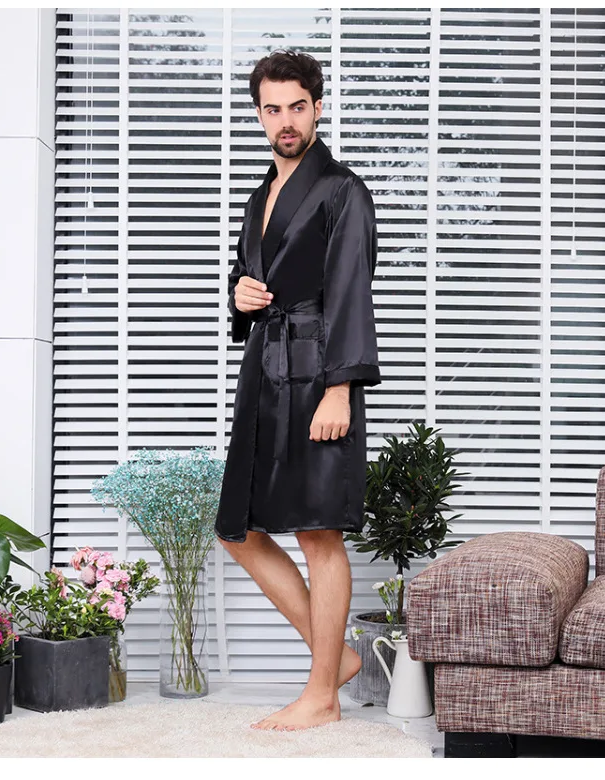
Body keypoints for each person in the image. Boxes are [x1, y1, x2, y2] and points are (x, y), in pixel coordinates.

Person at [214, 49, 382, 731]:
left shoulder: (343, 191)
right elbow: (250, 277)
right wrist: (239, 295)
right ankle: (336, 659)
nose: (285, 120)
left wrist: (340, 389)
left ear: (317, 108)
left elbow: (350, 292)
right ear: (259, 114)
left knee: (318, 532)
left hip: (318, 372)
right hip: (265, 370)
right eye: (272, 109)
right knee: (239, 530)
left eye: (297, 107)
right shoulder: (260, 196)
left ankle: (322, 696)